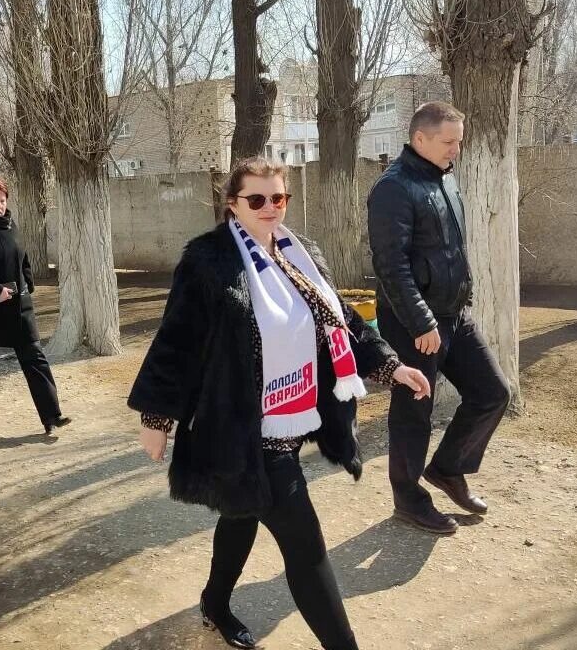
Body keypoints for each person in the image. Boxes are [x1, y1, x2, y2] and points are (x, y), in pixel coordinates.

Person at [129, 157, 431, 650]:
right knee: (305, 545)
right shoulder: (209, 260)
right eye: (256, 199)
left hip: (289, 421)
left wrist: (390, 367)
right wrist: (157, 418)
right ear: (233, 203)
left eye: (279, 198)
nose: (270, 208)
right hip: (240, 422)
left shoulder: (300, 253)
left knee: (240, 510)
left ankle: (214, 601)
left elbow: (343, 321)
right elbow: (177, 341)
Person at [367, 101, 512, 535]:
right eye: (449, 142)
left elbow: (450, 252)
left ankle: (448, 469)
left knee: (492, 392)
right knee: (414, 412)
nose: (456, 150)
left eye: (459, 142)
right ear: (420, 139)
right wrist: (421, 322)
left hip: (454, 313)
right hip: (415, 321)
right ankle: (408, 500)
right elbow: (391, 265)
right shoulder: (394, 188)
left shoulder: (445, 181)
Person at [0, 176, 70, 434]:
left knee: (35, 357)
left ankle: (52, 415)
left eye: (3, 200)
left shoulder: (9, 223)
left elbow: (21, 255)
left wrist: (27, 281)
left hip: (17, 305)